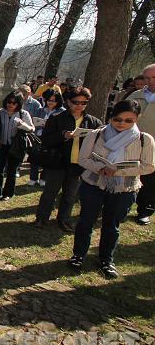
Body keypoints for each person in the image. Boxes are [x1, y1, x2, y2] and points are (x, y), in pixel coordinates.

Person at [70, 100, 155, 278]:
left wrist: (119, 170)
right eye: (117, 119)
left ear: (136, 119)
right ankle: (78, 255)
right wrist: (100, 168)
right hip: (94, 183)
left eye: (128, 121)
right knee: (86, 221)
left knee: (112, 225)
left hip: (124, 188)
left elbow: (148, 166)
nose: (122, 124)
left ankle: (106, 260)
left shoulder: (144, 139)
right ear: (111, 117)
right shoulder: (96, 134)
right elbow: (83, 159)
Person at [35, 88, 102, 231]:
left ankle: (64, 220)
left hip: (78, 164)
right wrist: (63, 135)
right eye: (76, 102)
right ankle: (41, 218)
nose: (79, 105)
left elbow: (100, 143)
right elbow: (45, 140)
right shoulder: (57, 118)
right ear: (68, 102)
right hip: (58, 162)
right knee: (50, 192)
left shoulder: (93, 122)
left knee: (70, 195)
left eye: (84, 103)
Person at [125, 64, 155, 224]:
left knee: (150, 179)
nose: (150, 81)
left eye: (154, 78)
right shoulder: (136, 95)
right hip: (132, 144)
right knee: (128, 174)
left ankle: (145, 210)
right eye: (147, 78)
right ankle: (124, 206)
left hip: (153, 146)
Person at [0, 91, 35, 201]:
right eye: (9, 102)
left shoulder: (23, 114)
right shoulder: (0, 113)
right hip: (1, 145)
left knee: (11, 171)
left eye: (14, 103)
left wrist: (23, 125)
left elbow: (32, 129)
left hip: (15, 146)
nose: (10, 105)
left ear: (18, 104)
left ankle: (8, 194)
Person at [28, 89, 65, 187]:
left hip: (51, 138)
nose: (50, 102)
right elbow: (33, 122)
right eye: (49, 100)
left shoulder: (62, 112)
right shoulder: (40, 110)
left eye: (53, 100)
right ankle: (33, 178)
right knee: (34, 157)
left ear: (58, 101)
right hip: (38, 136)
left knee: (47, 158)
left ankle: (43, 178)